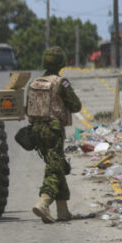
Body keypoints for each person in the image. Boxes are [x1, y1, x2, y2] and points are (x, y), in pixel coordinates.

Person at [27, 46, 82, 223]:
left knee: (57, 165)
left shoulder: (34, 82)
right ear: (61, 63)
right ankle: (44, 202)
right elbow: (76, 106)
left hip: (36, 130)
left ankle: (63, 211)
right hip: (53, 129)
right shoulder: (61, 82)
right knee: (54, 168)